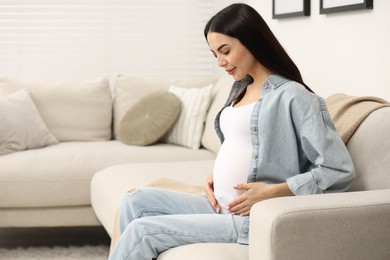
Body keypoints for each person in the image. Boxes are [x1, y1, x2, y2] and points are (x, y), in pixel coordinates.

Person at [108, 3, 355, 259]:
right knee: (133, 200)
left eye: (225, 51)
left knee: (143, 231)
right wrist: (213, 174)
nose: (220, 62)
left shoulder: (294, 97)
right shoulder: (240, 88)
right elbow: (242, 145)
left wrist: (273, 191)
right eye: (215, 54)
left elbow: (338, 171)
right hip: (217, 204)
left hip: (250, 217)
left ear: (252, 41)